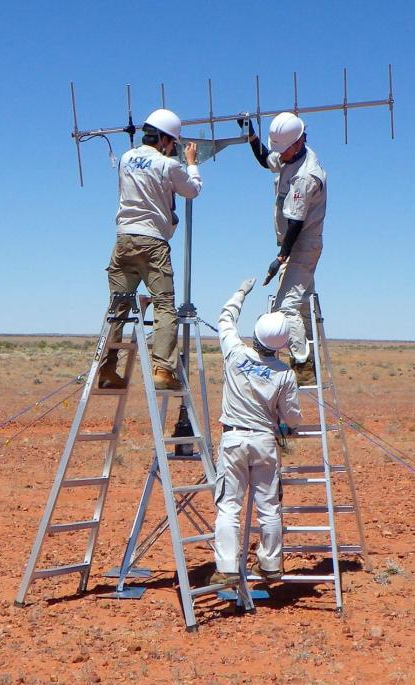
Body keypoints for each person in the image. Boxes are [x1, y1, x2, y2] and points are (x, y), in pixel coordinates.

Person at [210, 277, 302, 586]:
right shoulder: (285, 374)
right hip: (264, 442)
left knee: (228, 506)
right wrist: (285, 425)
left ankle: (226, 568)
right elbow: (292, 418)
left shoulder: (235, 353)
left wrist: (241, 292)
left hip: (234, 438)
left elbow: (225, 318)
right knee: (268, 506)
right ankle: (271, 564)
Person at [100, 109, 201, 391]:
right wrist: (191, 164)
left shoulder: (125, 158)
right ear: (167, 140)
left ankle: (107, 368)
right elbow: (192, 190)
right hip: (153, 242)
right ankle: (162, 371)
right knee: (164, 304)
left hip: (123, 240)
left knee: (117, 307)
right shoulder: (168, 166)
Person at [239, 112, 327, 386]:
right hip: (291, 246)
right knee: (301, 308)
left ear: (299, 142)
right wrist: (251, 135)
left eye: (283, 149)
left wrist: (280, 258)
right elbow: (267, 159)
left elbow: (297, 223)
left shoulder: (305, 176)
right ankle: (309, 360)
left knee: (285, 308)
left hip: (301, 247)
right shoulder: (290, 155)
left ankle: (302, 365)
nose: (280, 155)